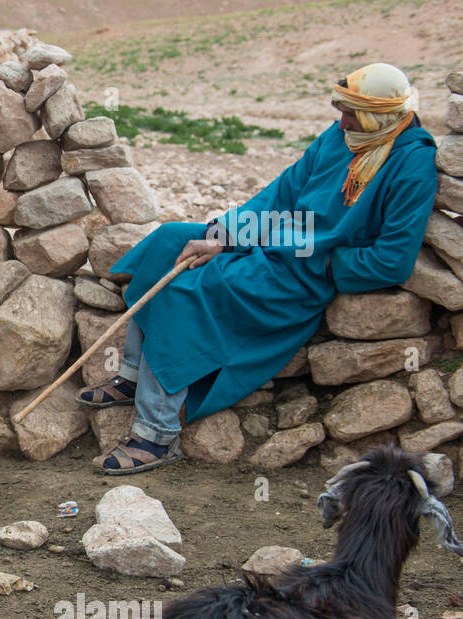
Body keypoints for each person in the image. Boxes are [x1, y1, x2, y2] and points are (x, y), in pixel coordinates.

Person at [79, 63, 439, 475]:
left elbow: (391, 260)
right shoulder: (345, 136)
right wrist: (224, 234)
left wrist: (321, 259)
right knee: (170, 241)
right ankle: (131, 375)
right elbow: (279, 196)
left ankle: (156, 434)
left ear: (380, 115)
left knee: (184, 290)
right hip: (279, 238)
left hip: (304, 271)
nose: (341, 121)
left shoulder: (412, 162)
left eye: (351, 113)